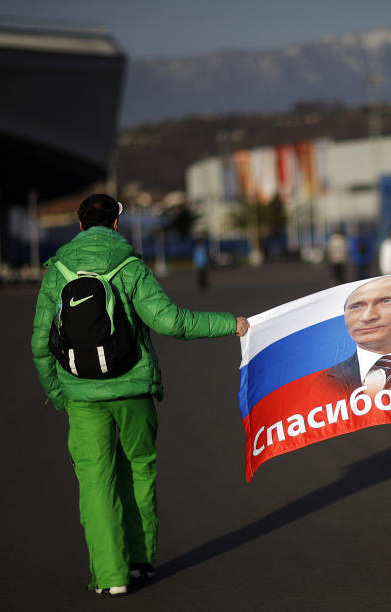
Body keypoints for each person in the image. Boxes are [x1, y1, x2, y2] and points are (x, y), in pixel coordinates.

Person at [31, 194, 250, 597]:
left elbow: (40, 344)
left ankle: (110, 575)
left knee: (95, 482)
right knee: (139, 468)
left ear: (79, 226)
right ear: (116, 225)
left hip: (81, 394)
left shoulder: (56, 271)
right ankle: (140, 562)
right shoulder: (131, 266)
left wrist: (58, 393)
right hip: (132, 387)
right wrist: (229, 324)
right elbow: (172, 322)